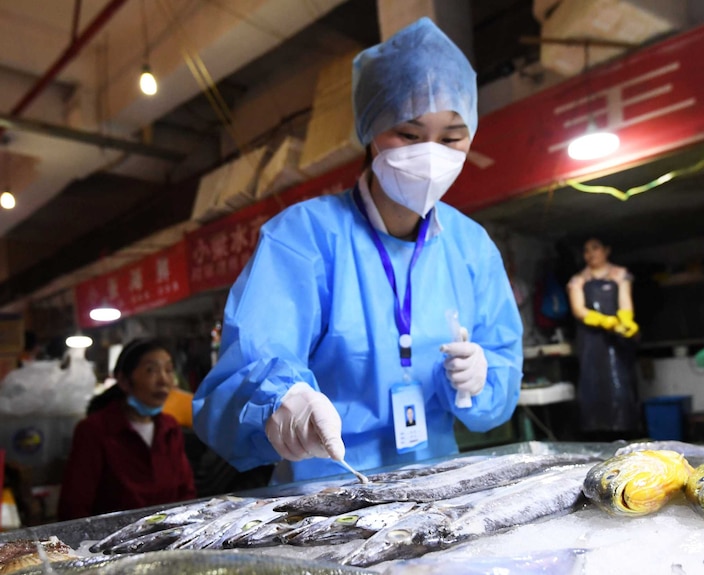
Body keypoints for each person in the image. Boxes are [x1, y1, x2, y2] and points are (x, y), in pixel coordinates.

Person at [193, 17, 523, 482]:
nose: (431, 155)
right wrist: (281, 401)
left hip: (436, 485)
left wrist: (483, 378)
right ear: (370, 129)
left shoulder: (472, 248)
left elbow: (500, 379)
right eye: (408, 135)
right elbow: (245, 369)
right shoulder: (303, 238)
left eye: (451, 137)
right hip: (324, 495)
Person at [58, 339, 196, 520]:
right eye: (151, 370)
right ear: (123, 380)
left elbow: (186, 494)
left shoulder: (169, 428)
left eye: (169, 370)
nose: (164, 380)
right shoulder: (94, 430)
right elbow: (74, 508)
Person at [566, 238, 640, 441]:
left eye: (595, 248)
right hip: (591, 339)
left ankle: (627, 430)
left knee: (621, 380)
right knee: (592, 381)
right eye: (586, 250)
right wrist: (602, 320)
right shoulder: (577, 280)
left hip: (617, 339)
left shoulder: (620, 274)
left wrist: (624, 320)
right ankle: (596, 432)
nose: (591, 254)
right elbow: (578, 310)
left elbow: (625, 301)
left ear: (607, 250)